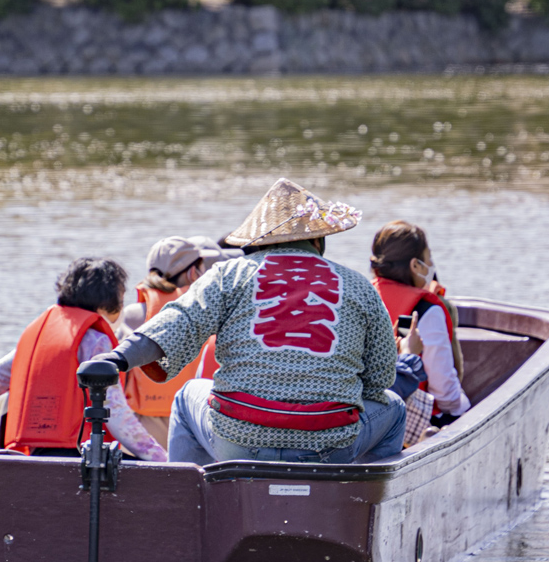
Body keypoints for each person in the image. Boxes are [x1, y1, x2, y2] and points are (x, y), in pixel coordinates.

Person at [101, 178, 405, 465]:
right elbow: (380, 378)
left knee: (185, 396)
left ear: (261, 241)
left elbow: (176, 323)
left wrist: (118, 358)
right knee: (395, 407)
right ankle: (362, 504)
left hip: (239, 440)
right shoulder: (358, 285)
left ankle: (191, 505)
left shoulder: (230, 274)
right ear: (319, 240)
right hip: (329, 443)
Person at [0, 257, 166, 461]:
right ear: (109, 304)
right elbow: (114, 411)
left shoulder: (40, 331)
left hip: (33, 454)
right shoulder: (97, 341)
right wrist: (162, 458)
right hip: (79, 456)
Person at [118, 236, 239, 448]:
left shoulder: (132, 314)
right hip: (191, 422)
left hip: (142, 425)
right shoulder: (207, 312)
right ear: (194, 273)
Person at [370, 221, 470, 433]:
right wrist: (466, 407)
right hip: (411, 423)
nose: (431, 264)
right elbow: (445, 394)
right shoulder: (426, 310)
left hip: (365, 414)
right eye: (428, 258)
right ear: (415, 265)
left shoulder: (360, 297)